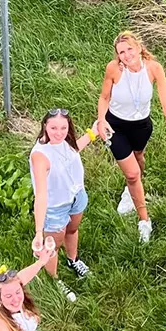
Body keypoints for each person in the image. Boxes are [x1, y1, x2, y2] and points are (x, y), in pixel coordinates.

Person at [93, 30, 166, 245]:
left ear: (139, 47)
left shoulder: (153, 68)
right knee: (133, 173)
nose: (126, 55)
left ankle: (130, 189)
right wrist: (101, 120)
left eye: (129, 49)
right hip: (115, 126)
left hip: (141, 126)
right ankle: (144, 220)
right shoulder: (113, 69)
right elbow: (104, 97)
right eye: (121, 52)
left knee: (138, 157)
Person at [30, 108, 95, 279]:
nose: (59, 133)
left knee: (72, 230)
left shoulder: (66, 141)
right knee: (52, 247)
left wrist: (93, 133)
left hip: (77, 196)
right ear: (45, 126)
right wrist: (38, 231)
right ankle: (54, 280)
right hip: (56, 206)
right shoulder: (40, 155)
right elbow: (41, 195)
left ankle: (73, 260)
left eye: (63, 128)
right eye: (53, 128)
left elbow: (73, 151)